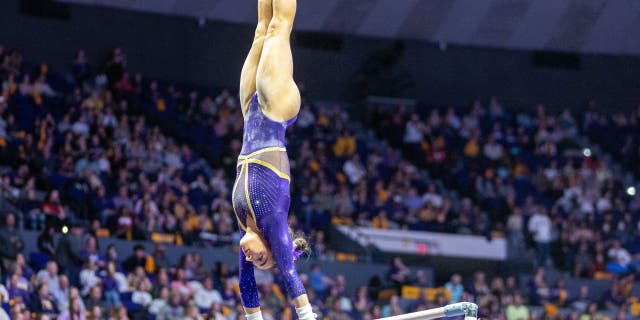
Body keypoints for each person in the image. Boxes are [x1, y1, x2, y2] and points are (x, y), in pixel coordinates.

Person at [231, 1, 314, 320]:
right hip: (276, 109)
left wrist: (254, 318)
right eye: (264, 259)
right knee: (279, 27)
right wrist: (306, 315)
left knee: (260, 30)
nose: (253, 259)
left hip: (251, 110)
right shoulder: (273, 220)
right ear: (273, 246)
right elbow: (289, 272)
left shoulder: (245, 226)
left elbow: (245, 283)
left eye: (256, 264)